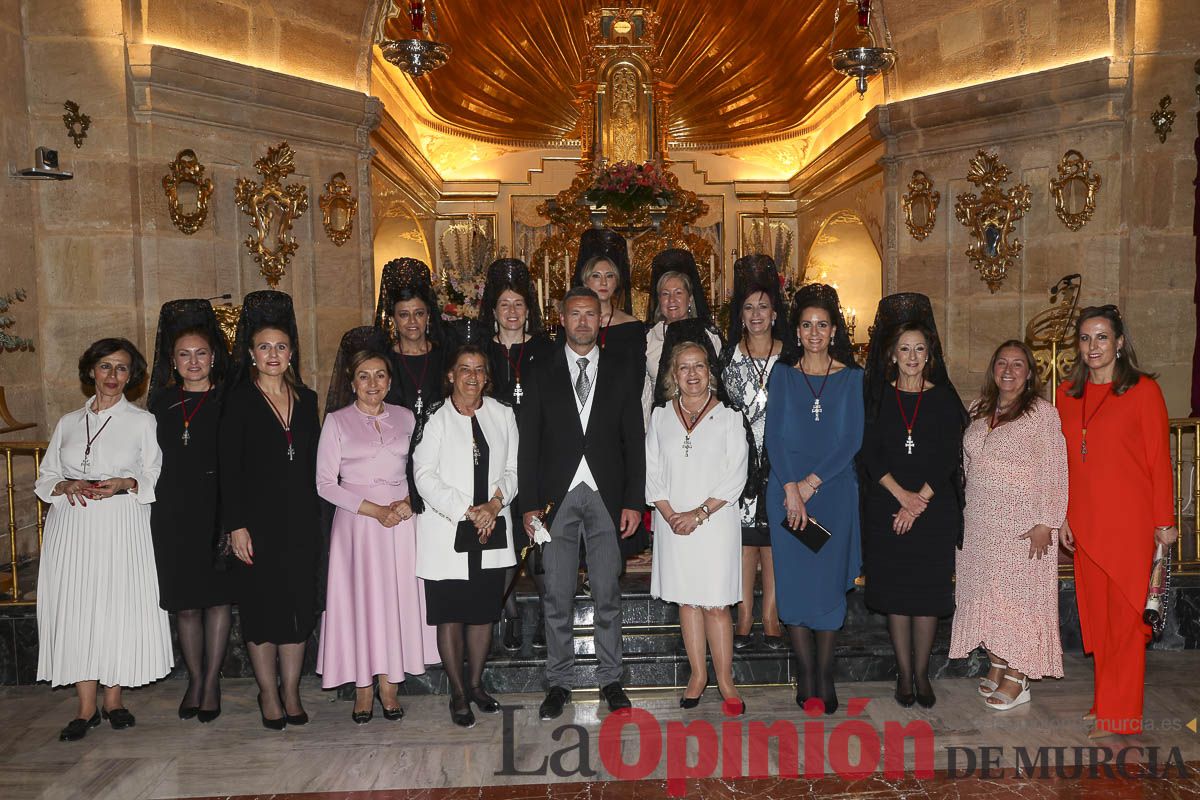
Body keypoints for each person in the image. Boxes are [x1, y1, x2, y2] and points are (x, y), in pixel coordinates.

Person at [518, 286, 645, 721]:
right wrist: (529, 504)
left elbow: (635, 440)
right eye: (575, 314)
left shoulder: (623, 368)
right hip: (556, 499)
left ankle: (611, 678)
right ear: (562, 318)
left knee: (608, 591)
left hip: (608, 497)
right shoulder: (541, 370)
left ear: (600, 319)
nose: (583, 322)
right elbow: (528, 442)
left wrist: (633, 500)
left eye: (591, 314)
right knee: (556, 593)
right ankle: (559, 682)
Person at [36, 338, 171, 742]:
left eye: (122, 368)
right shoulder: (68, 423)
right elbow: (44, 477)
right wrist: (64, 482)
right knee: (77, 609)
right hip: (73, 528)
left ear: (133, 376)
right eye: (105, 367)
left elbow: (153, 474)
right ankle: (85, 707)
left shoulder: (142, 421)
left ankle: (115, 700)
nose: (113, 376)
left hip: (120, 525)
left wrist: (126, 482)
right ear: (91, 371)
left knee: (115, 607)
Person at [1056, 305, 1176, 738]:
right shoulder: (1067, 394)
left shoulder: (1143, 392)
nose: (1093, 347)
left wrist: (1165, 521)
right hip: (1086, 525)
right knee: (1099, 620)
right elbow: (1063, 464)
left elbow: (1159, 462)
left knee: (1125, 622)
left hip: (1130, 524)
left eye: (1102, 337)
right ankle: (1105, 700)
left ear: (1120, 342)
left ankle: (1121, 715)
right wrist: (1064, 514)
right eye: (1086, 338)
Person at [316, 342, 438, 723]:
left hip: (402, 523)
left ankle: (390, 686)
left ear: (390, 381)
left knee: (394, 601)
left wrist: (405, 502)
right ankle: (363, 689)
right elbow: (324, 484)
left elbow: (422, 471)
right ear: (352, 382)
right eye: (364, 376)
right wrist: (375, 511)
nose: (373, 383)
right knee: (362, 603)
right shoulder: (337, 422)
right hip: (358, 527)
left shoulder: (406, 418)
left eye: (380, 375)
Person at [219, 290, 322, 731]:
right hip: (255, 525)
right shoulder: (238, 399)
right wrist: (236, 525)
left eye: (281, 346)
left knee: (298, 608)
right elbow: (228, 468)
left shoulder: (309, 398)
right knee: (262, 611)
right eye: (264, 347)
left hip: (301, 523)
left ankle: (293, 690)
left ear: (292, 351)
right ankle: (268, 693)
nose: (273, 354)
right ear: (250, 354)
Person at [860, 294, 966, 709]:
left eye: (919, 349)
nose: (912, 356)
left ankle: (923, 676)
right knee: (896, 596)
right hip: (887, 507)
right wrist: (901, 497)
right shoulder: (877, 397)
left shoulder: (941, 399)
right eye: (904, 349)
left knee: (926, 596)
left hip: (932, 509)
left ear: (930, 354)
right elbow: (870, 453)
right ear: (891, 353)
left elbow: (947, 455)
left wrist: (918, 500)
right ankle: (903, 676)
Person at [948, 339, 1068, 710]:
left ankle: (1020, 674)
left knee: (1019, 598)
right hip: (981, 522)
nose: (1009, 370)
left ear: (1030, 373)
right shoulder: (979, 408)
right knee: (987, 595)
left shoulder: (1042, 414)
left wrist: (1047, 521)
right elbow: (968, 467)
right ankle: (998, 661)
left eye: (1018, 364)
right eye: (1002, 363)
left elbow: (1056, 468)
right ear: (993, 369)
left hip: (1022, 524)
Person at [764, 283, 863, 715]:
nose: (814, 332)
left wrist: (811, 483)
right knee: (795, 586)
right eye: (806, 325)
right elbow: (774, 437)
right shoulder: (782, 375)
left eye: (823, 324)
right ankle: (805, 675)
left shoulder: (852, 378)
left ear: (835, 330)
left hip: (832, 495)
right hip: (787, 499)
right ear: (797, 331)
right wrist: (791, 488)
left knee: (827, 586)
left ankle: (826, 675)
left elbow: (851, 440)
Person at [412, 344, 519, 728]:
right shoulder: (435, 418)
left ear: (487, 377)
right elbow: (423, 475)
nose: (472, 377)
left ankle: (476, 685)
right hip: (447, 530)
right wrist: (466, 510)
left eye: (479, 370)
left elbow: (512, 468)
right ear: (451, 375)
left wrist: (492, 505)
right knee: (451, 616)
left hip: (491, 527)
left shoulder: (503, 414)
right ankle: (457, 693)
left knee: (482, 616)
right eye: (464, 369)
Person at [646, 334, 749, 712]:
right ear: (673, 374)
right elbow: (652, 472)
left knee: (716, 604)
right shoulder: (659, 416)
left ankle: (725, 681)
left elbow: (735, 475)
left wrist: (699, 513)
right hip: (673, 524)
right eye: (684, 367)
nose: (692, 373)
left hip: (715, 523)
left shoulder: (729, 417)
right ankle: (697, 676)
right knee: (687, 602)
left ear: (710, 373)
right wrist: (671, 514)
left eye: (699, 366)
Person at [148, 300, 236, 723]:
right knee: (185, 605)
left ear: (214, 356)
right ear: (173, 360)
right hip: (173, 515)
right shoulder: (160, 404)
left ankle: (212, 681)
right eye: (185, 354)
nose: (194, 361)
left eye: (201, 353)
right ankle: (195, 679)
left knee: (217, 602)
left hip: (218, 513)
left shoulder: (230, 400)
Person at [478, 258, 553, 652]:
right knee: (502, 540)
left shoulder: (545, 348)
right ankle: (508, 614)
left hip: (537, 455)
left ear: (529, 309)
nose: (511, 312)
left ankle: (542, 613)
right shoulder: (482, 350)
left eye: (518, 304)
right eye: (504, 304)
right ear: (493, 310)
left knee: (539, 537)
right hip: (495, 459)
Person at [719, 254, 791, 652]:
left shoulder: (792, 358)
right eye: (749, 307)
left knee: (775, 542)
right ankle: (745, 616)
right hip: (741, 463)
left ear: (775, 312)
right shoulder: (728, 358)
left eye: (763, 306)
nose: (756, 313)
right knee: (746, 542)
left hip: (782, 461)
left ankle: (772, 617)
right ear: (740, 314)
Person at [643, 248, 722, 424]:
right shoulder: (648, 339)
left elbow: (719, 386)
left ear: (690, 299)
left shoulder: (709, 336)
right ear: (659, 300)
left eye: (678, 293)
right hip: (663, 423)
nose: (672, 300)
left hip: (707, 421)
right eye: (665, 294)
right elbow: (645, 393)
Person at [374, 257, 448, 418]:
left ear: (428, 316)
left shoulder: (445, 356)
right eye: (404, 315)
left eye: (419, 313)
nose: (412, 321)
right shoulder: (383, 359)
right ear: (393, 319)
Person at [572, 230, 645, 363]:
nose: (604, 282)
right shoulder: (573, 324)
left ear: (616, 282)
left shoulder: (632, 327)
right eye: (596, 276)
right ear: (585, 282)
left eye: (609, 276)